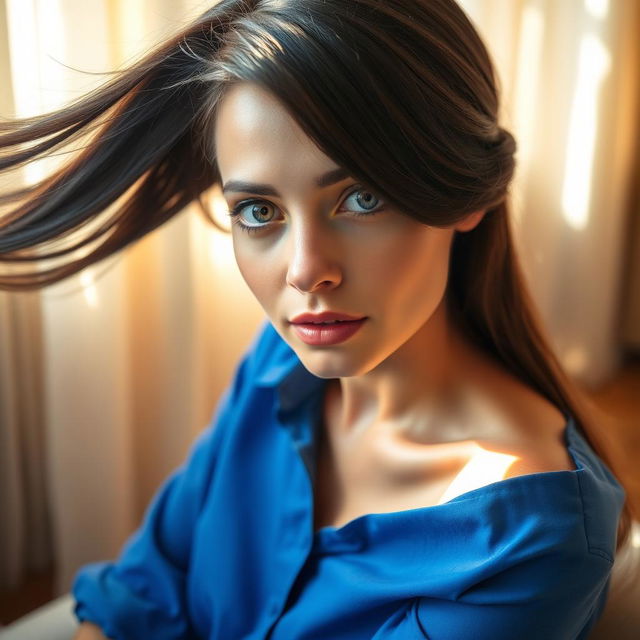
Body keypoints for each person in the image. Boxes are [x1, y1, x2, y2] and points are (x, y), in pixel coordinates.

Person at [0, 0, 630, 638]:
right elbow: (146, 586)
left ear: (468, 192)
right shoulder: (280, 364)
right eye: (257, 210)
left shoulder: (526, 549)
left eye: (362, 197)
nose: (305, 272)